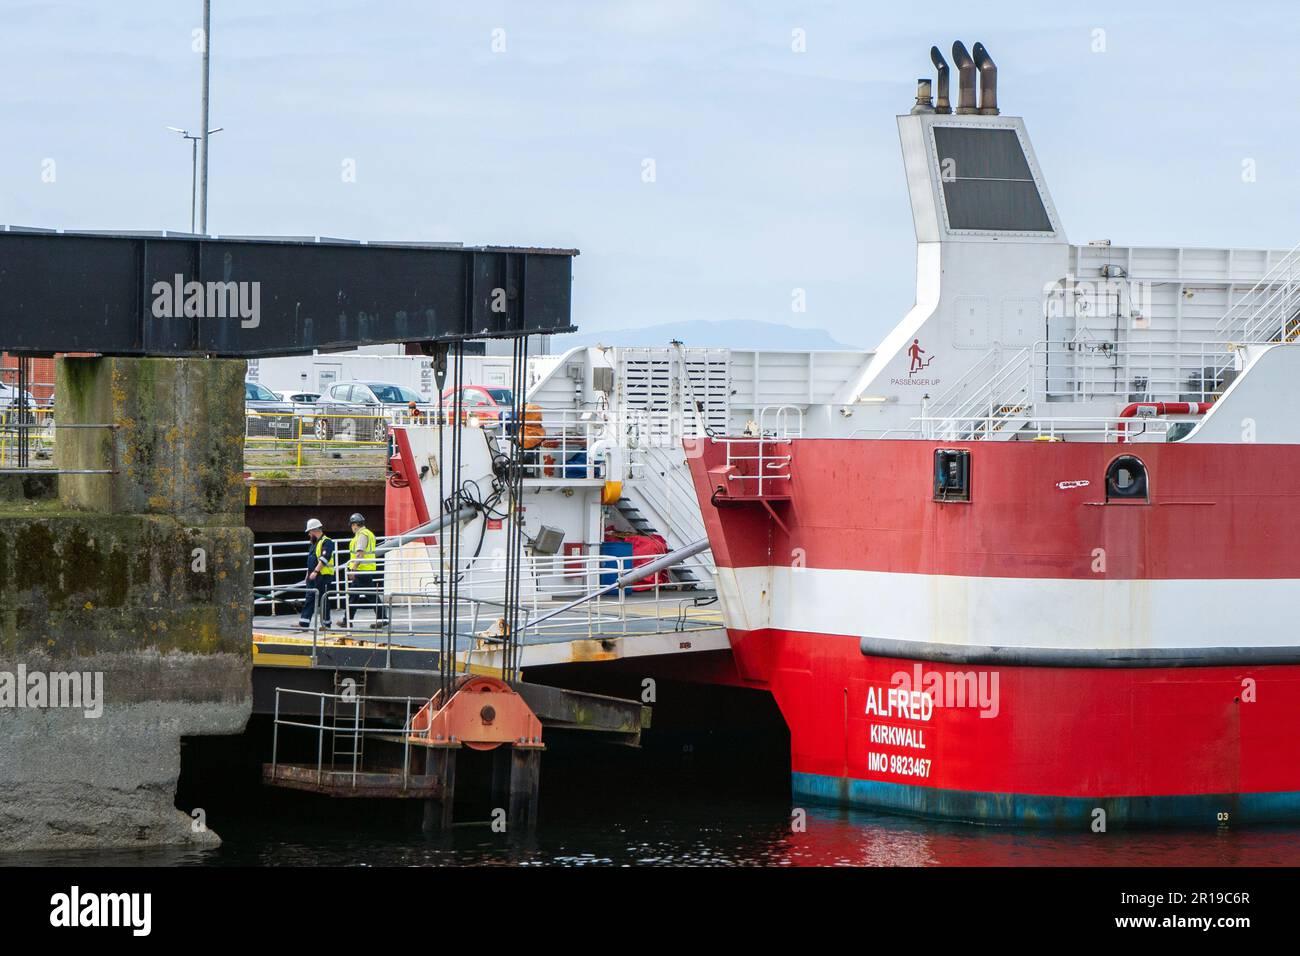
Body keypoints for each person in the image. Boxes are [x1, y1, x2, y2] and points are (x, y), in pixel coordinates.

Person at [346, 512, 387, 628]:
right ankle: (347, 620)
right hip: (365, 569)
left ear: (355, 524)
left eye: (352, 525)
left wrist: (353, 569)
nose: (352, 528)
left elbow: (360, 553)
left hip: (361, 570)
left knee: (371, 596)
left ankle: (383, 618)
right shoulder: (368, 533)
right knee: (354, 596)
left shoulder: (362, 535)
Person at [297, 517, 336, 629]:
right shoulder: (314, 543)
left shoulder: (327, 542)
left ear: (314, 530)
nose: (309, 535)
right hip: (313, 576)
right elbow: (311, 560)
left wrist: (315, 571)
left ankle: (326, 624)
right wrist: (308, 574)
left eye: (309, 532)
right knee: (309, 598)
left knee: (323, 599)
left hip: (323, 576)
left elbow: (324, 558)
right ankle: (303, 623)